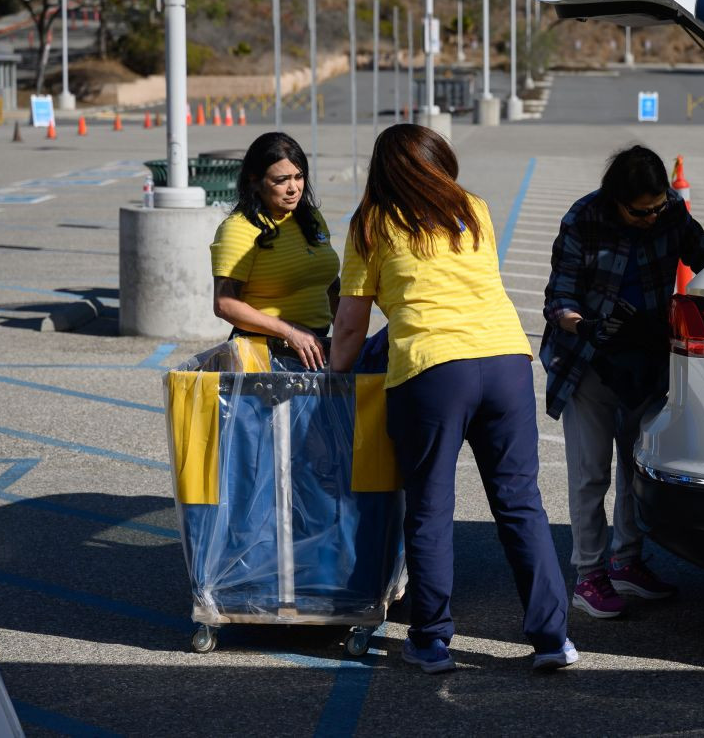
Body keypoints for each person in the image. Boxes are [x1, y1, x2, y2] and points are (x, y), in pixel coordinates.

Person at [328, 123, 575, 674]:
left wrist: (332, 382)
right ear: (437, 163)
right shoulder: (474, 209)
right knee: (519, 501)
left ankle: (432, 639)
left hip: (434, 368)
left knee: (432, 506)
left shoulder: (372, 221)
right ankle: (552, 638)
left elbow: (349, 324)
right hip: (508, 360)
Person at [541, 145, 704, 619]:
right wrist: (583, 326)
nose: (651, 218)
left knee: (635, 467)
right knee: (591, 473)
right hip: (590, 361)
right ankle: (588, 575)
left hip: (646, 359)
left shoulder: (672, 215)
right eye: (640, 211)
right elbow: (558, 297)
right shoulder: (584, 218)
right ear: (617, 200)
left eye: (658, 206)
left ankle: (626, 564)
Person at [210, 132, 339, 370]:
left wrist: (346, 334)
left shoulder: (310, 217)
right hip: (262, 355)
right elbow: (224, 304)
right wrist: (289, 331)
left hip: (314, 348)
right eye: (281, 180)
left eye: (299, 177)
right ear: (254, 181)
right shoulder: (239, 229)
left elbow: (330, 282)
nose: (294, 188)